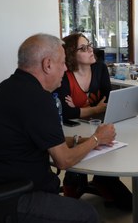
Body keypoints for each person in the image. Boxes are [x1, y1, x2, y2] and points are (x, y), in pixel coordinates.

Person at [0, 33, 117, 223]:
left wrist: (77, 141)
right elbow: (63, 161)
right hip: (2, 197)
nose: (65, 69)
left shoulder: (13, 87)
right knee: (87, 214)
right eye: (63, 63)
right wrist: (97, 139)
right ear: (47, 64)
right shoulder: (37, 99)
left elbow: (40, 139)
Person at [55, 33, 132, 211]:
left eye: (90, 45)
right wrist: (96, 109)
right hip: (71, 129)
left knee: (128, 205)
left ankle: (102, 179)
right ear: (71, 54)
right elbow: (66, 112)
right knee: (80, 153)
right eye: (83, 48)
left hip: (97, 125)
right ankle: (73, 183)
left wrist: (81, 109)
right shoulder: (64, 75)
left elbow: (109, 100)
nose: (91, 50)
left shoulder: (99, 68)